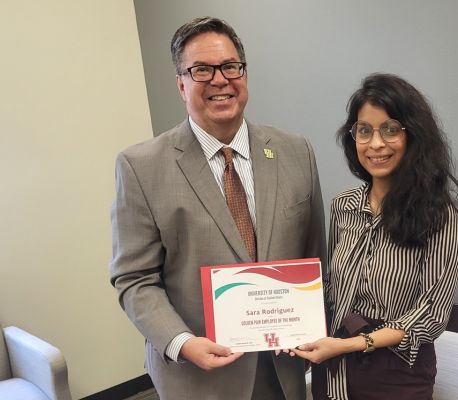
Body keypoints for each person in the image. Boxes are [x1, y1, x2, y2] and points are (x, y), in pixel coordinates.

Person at [109, 17, 326, 400]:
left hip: (284, 369)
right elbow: (134, 278)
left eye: (229, 66)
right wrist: (180, 341)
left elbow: (314, 254)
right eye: (201, 70)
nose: (219, 79)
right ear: (181, 83)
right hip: (198, 378)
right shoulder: (140, 166)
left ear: (244, 74)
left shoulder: (297, 151)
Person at [293, 73, 458, 400]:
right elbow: (331, 286)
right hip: (334, 367)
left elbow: (431, 312)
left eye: (390, 129)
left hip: (396, 371)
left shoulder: (437, 213)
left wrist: (353, 344)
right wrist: (291, 326)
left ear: (413, 136)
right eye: (364, 130)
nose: (376, 144)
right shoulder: (343, 206)